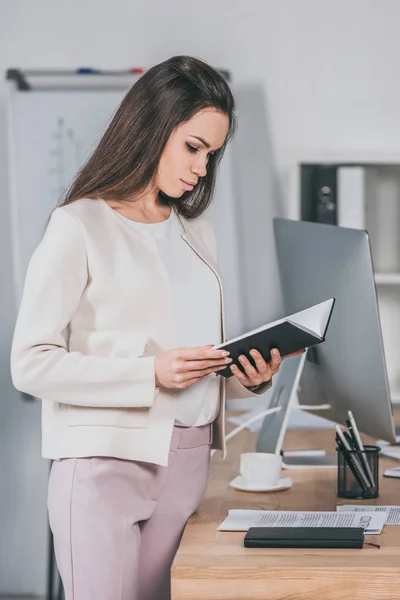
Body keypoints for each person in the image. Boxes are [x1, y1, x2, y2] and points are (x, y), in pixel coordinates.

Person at [10, 55, 301, 600]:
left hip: (188, 466)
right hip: (104, 470)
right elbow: (30, 363)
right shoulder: (78, 225)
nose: (201, 168)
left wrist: (248, 377)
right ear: (151, 126)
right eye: (193, 147)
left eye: (211, 155)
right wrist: (150, 374)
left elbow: (192, 362)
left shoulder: (198, 231)